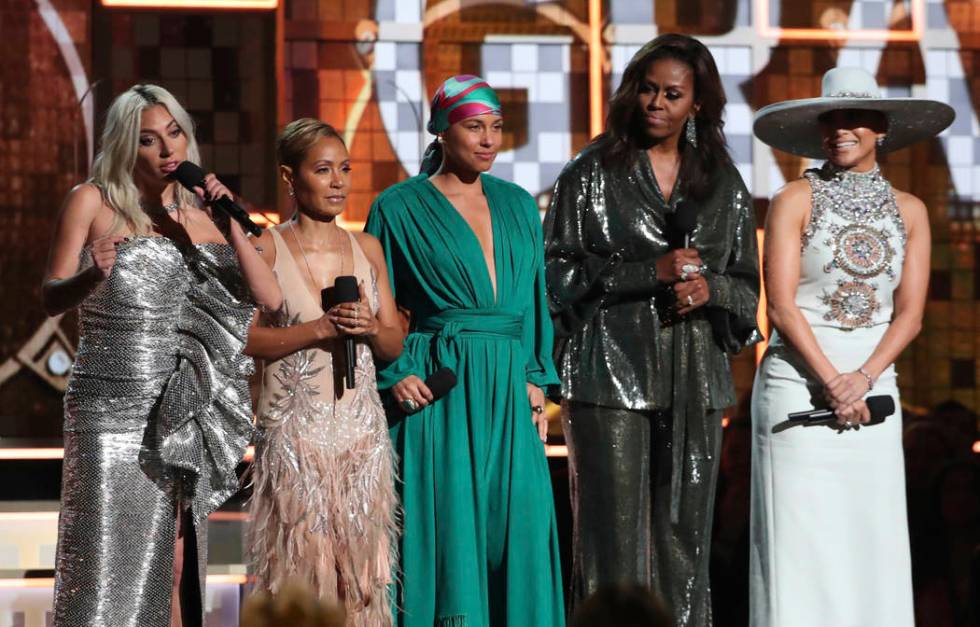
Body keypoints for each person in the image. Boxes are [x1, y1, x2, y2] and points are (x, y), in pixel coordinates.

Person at [42, 84, 282, 627]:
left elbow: (269, 299)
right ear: (127, 146)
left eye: (174, 133)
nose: (167, 149)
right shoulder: (93, 200)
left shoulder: (202, 211)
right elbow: (50, 297)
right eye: (148, 140)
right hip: (110, 408)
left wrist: (226, 217)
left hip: (181, 407)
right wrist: (89, 275)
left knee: (173, 565)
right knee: (106, 567)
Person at [544, 33, 760, 625]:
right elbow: (556, 276)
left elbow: (748, 294)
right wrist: (647, 272)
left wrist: (710, 289)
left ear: (697, 103)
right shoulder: (589, 173)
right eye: (647, 88)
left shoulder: (722, 183)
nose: (656, 103)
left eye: (672, 93)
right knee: (612, 540)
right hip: (606, 376)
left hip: (694, 379)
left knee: (683, 538)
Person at [750, 66, 954, 627]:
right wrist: (832, 381)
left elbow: (909, 316)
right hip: (797, 383)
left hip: (874, 391)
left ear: (881, 128)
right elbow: (782, 307)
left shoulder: (910, 211)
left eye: (854, 118)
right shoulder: (794, 198)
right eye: (831, 118)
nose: (841, 129)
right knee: (799, 547)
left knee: (871, 542)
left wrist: (860, 379)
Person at [364, 75, 564, 627]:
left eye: (496, 127)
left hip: (507, 380)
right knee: (451, 534)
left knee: (517, 526)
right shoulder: (399, 207)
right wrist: (396, 373)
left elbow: (532, 298)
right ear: (441, 131)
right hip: (443, 385)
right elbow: (377, 306)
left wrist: (534, 376)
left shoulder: (520, 204)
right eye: (474, 127)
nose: (488, 139)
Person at [244, 118, 403, 625]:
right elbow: (243, 339)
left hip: (361, 437)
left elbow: (394, 344)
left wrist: (373, 326)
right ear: (291, 178)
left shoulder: (368, 249)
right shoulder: (266, 248)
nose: (338, 182)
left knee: (360, 584)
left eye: (345, 169)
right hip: (295, 440)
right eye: (323, 170)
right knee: (299, 578)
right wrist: (316, 329)